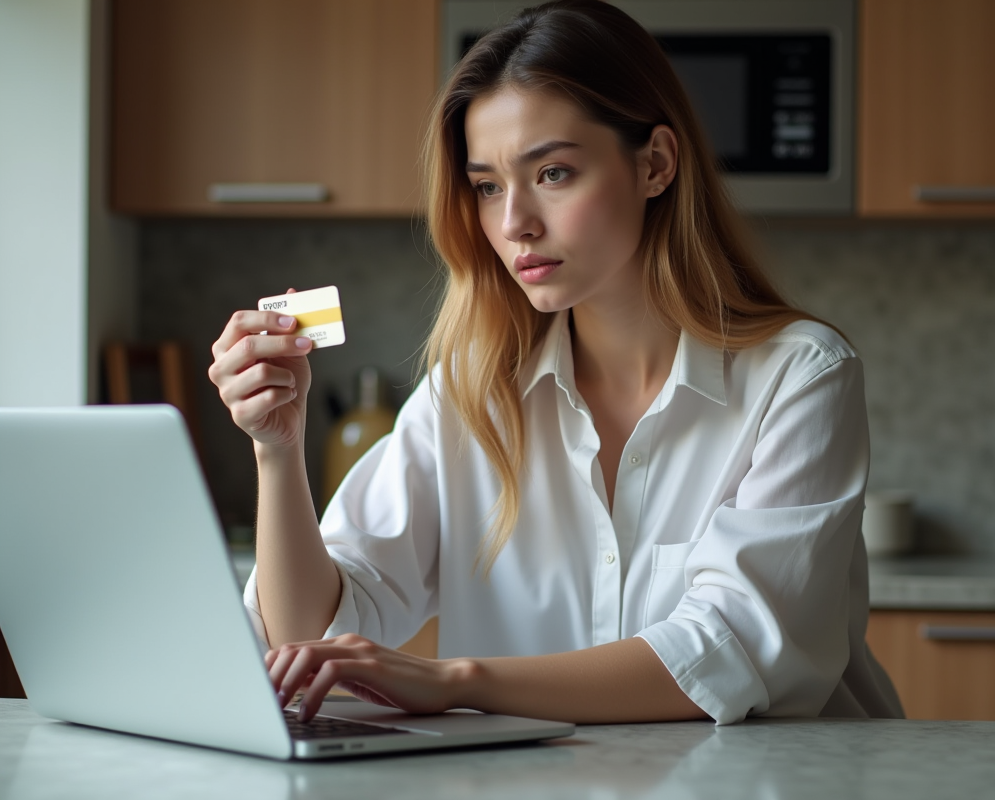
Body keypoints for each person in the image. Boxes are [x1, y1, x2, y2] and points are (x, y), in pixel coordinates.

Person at [207, 0, 902, 725]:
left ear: (656, 164)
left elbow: (730, 652)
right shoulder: (469, 395)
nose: (514, 225)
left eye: (555, 173)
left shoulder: (800, 376)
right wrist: (277, 452)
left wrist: (457, 680)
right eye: (487, 186)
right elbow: (306, 636)